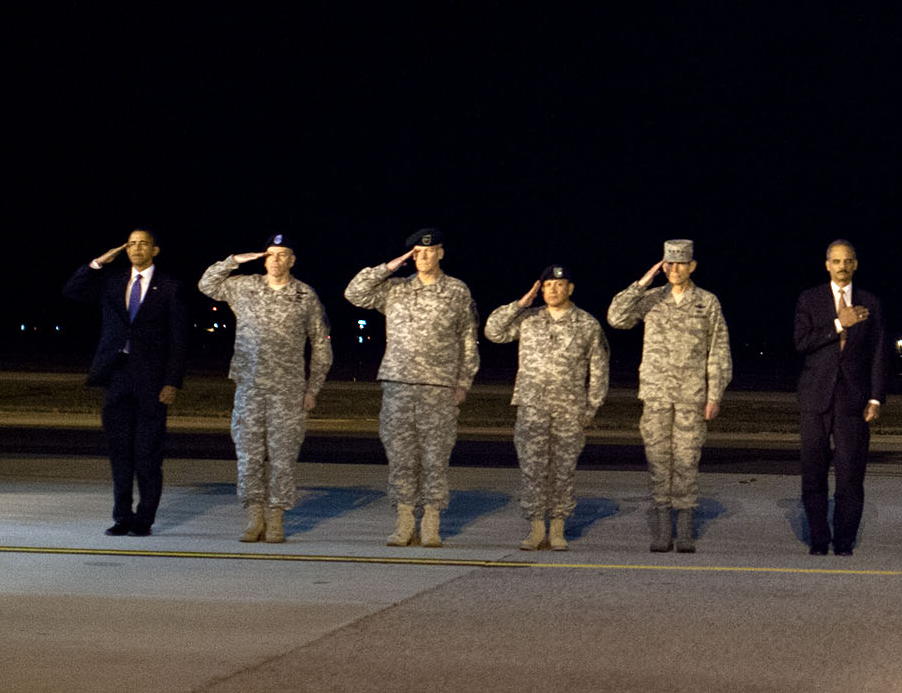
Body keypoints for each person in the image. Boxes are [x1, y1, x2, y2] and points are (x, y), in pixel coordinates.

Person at [344, 229, 478, 548]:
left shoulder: (457, 291)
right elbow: (354, 293)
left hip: (438, 388)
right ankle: (404, 522)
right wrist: (389, 267)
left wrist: (463, 383)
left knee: (435, 457)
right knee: (401, 457)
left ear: (441, 253)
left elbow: (468, 341)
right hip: (398, 386)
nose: (423, 256)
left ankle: (431, 521)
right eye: (416, 252)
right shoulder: (395, 290)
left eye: (430, 251)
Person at [198, 234, 333, 543]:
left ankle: (276, 518)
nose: (275, 260)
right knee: (248, 456)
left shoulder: (304, 295)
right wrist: (233, 260)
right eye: (270, 254)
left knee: (283, 457)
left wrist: (313, 389)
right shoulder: (245, 287)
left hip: (288, 391)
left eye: (282, 254)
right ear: (263, 258)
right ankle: (254, 516)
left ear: (292, 260)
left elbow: (321, 345)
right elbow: (206, 285)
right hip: (250, 387)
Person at [65, 229, 194, 536]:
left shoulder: (170, 287)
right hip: (117, 375)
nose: (136, 248)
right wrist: (98, 262)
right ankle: (122, 516)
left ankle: (144, 519)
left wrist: (172, 382)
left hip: (152, 381)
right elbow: (71, 290)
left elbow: (179, 340)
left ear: (155, 250)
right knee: (120, 453)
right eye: (132, 244)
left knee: (147, 454)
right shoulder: (112, 281)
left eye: (143, 243)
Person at [607, 239, 732, 553]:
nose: (674, 269)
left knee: (687, 460)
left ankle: (686, 527)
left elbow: (718, 351)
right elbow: (616, 317)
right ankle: (663, 528)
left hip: (692, 396)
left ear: (692, 266)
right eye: (669, 264)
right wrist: (642, 282)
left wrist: (714, 393)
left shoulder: (707, 302)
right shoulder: (651, 299)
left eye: (680, 263)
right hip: (657, 394)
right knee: (658, 461)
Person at [486, 264, 610, 552]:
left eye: (558, 285)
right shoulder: (528, 319)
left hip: (570, 409)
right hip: (532, 407)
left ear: (570, 288)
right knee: (532, 469)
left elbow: (599, 368)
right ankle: (535, 529)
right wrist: (521, 303)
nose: (552, 290)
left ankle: (557, 529)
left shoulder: (586, 324)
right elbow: (493, 331)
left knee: (563, 471)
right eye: (547, 286)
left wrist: (592, 406)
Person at [792, 239, 886, 555]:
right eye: (836, 261)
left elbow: (878, 354)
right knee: (814, 474)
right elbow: (801, 342)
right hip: (815, 399)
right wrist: (837, 324)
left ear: (855, 264)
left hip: (854, 401)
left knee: (850, 476)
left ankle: (844, 541)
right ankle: (819, 539)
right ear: (827, 264)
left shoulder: (871, 302)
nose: (842, 266)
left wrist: (875, 398)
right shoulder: (810, 299)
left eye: (847, 261)